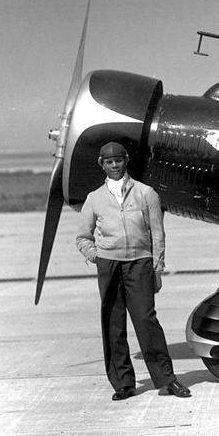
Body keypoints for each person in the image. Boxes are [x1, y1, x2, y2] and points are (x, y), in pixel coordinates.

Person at [75, 142, 191, 400]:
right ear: (102, 164)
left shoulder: (146, 193)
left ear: (126, 160)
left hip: (139, 263)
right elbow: (83, 237)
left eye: (118, 160)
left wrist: (157, 266)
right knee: (113, 324)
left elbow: (157, 233)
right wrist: (97, 255)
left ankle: (167, 379)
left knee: (146, 320)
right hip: (109, 265)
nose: (114, 165)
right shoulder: (94, 198)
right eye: (109, 161)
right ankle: (123, 383)